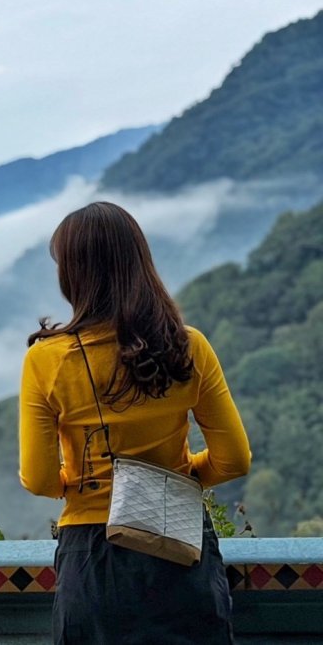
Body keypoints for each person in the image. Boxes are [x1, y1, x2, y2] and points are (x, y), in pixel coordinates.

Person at [18, 201, 251, 645]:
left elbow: (40, 479)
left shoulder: (47, 360)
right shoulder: (189, 347)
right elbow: (234, 460)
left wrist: (76, 484)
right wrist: (178, 479)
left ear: (73, 274)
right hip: (181, 545)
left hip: (92, 557)